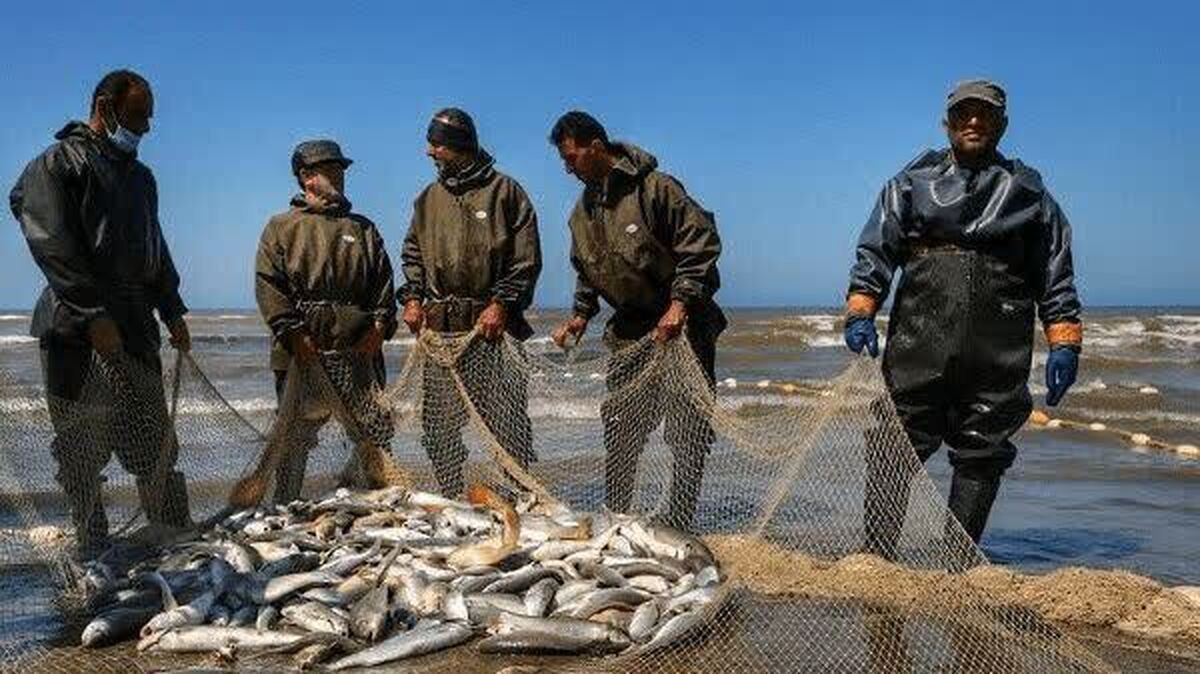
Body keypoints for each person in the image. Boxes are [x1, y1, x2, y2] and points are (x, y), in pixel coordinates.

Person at [844, 79, 1083, 552]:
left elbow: (1055, 273)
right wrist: (860, 311)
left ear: (1002, 125)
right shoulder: (909, 185)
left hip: (999, 345)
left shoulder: (1031, 195)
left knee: (984, 447)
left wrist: (1065, 342)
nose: (974, 121)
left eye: (985, 114)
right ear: (947, 123)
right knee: (896, 439)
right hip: (919, 340)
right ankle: (877, 556)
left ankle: (957, 559)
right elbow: (876, 252)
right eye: (963, 113)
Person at [10, 69, 193, 555]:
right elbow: (52, 243)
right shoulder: (57, 163)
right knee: (81, 449)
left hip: (135, 324)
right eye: (137, 116)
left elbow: (154, 247)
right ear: (104, 107)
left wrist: (172, 308)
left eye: (148, 118)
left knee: (154, 442)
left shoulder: (141, 178)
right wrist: (92, 314)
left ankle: (174, 537)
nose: (145, 128)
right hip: (74, 329)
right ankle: (92, 550)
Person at [549, 111, 724, 530]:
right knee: (622, 427)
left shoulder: (656, 189)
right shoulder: (582, 211)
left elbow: (701, 245)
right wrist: (580, 315)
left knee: (687, 431)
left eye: (571, 157)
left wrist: (680, 304)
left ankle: (680, 523)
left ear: (595, 147)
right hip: (630, 332)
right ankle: (618, 516)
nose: (567, 168)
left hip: (682, 328)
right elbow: (587, 267)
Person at [399, 108, 542, 498]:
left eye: (436, 145)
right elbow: (412, 254)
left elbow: (526, 260)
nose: (429, 152)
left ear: (459, 146)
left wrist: (501, 304)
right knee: (438, 426)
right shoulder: (427, 199)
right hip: (442, 334)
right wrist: (412, 298)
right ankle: (451, 496)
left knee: (507, 423)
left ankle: (517, 496)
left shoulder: (506, 192)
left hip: (494, 331)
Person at [255, 140, 398, 503]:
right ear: (307, 178)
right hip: (301, 354)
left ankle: (376, 502)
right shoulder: (280, 227)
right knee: (293, 438)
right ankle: (285, 504)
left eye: (341, 170)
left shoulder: (363, 228)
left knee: (374, 433)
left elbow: (383, 285)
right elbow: (269, 287)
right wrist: (294, 334)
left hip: (359, 354)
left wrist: (380, 327)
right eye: (330, 170)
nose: (339, 176)